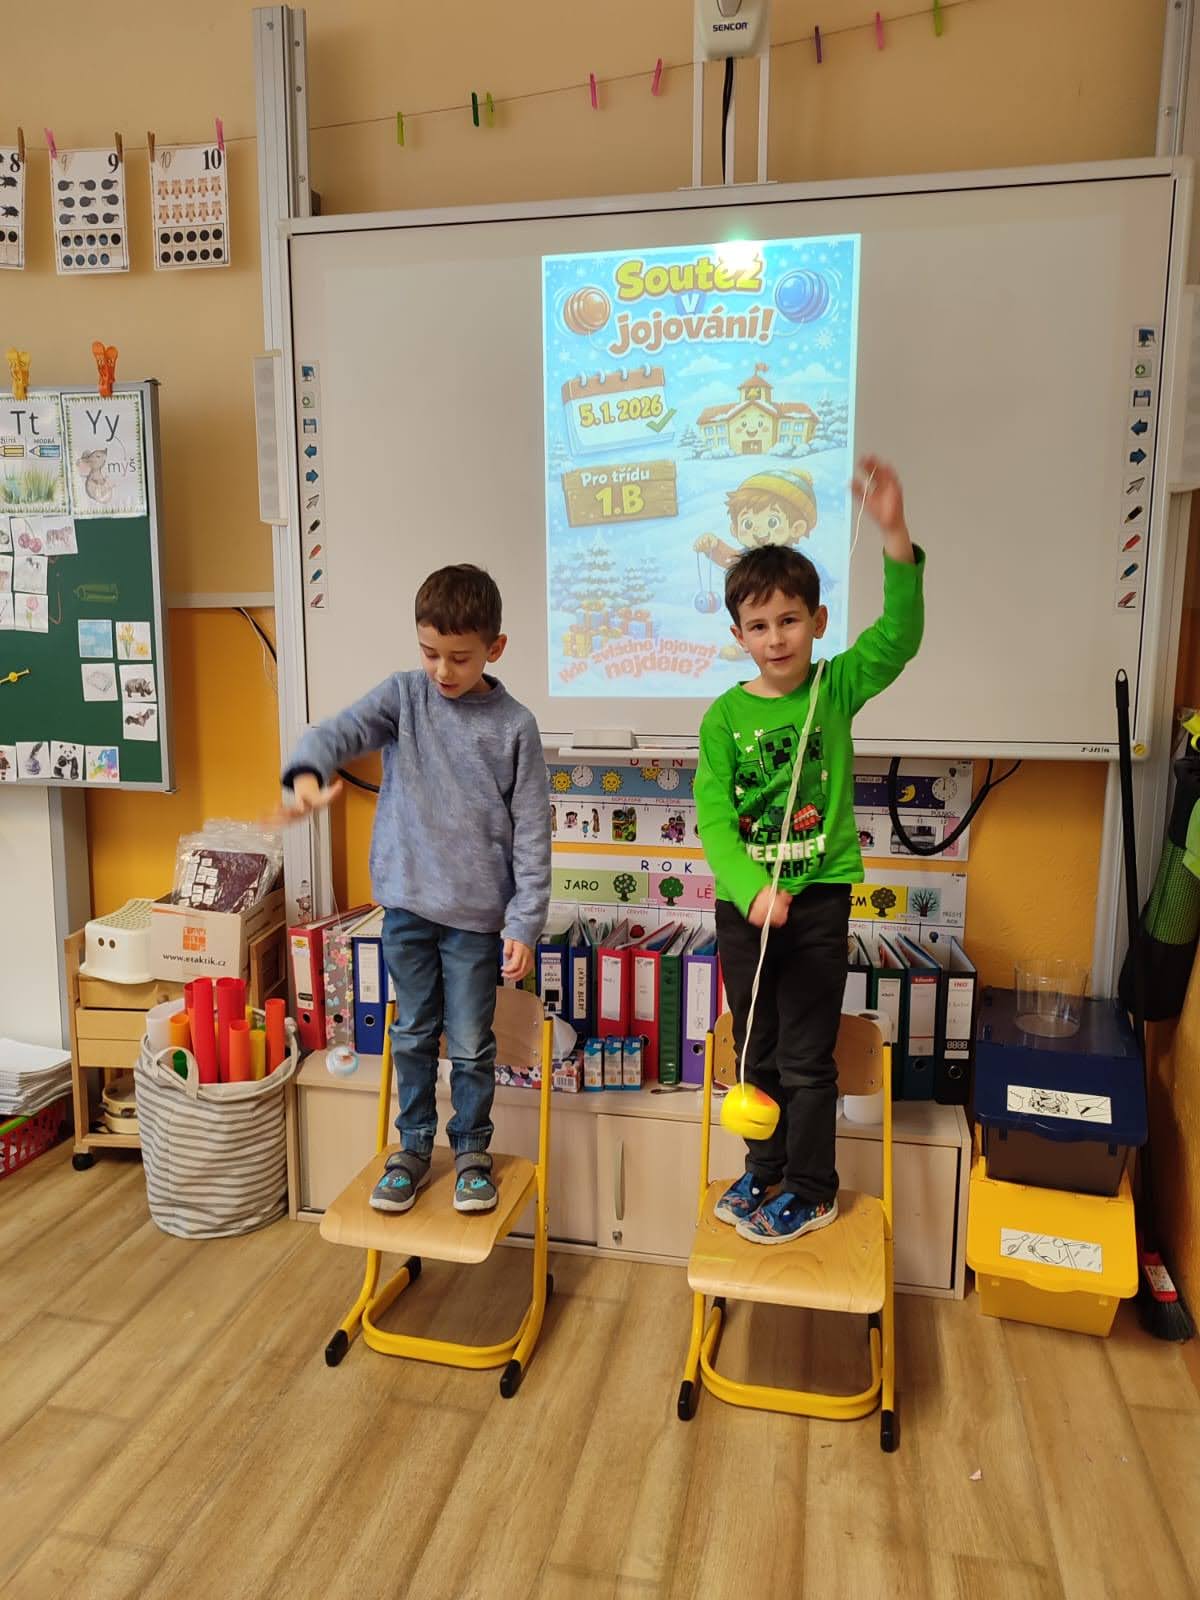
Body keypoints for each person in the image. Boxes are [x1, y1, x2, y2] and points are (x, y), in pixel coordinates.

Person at [694, 458, 923, 1244]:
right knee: (754, 1053)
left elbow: (898, 638)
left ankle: (812, 1187)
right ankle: (764, 1171)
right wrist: (749, 887)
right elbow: (714, 819)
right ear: (738, 636)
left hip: (818, 901)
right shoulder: (724, 718)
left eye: (789, 620)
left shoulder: (836, 687)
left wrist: (894, 533)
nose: (775, 638)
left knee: (804, 1058)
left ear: (818, 621)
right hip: (745, 910)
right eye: (758, 626)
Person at [275, 563, 550, 1216]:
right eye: (430, 653)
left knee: (473, 1042)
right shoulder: (405, 696)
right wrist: (307, 770)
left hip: (476, 920)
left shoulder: (514, 726)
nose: (442, 670)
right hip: (406, 909)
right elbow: (334, 732)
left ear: (495, 648)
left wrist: (523, 922)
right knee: (414, 1032)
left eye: (459, 657)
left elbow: (534, 834)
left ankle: (473, 1153)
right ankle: (413, 1149)